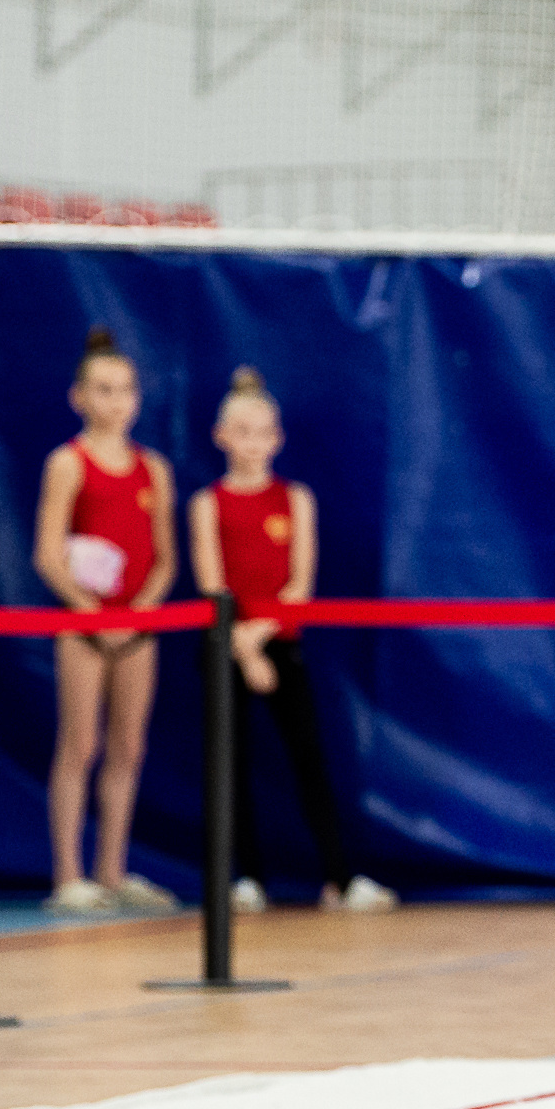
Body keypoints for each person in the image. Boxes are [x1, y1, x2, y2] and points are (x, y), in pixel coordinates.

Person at [187, 367, 394, 914]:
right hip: (226, 646)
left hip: (282, 641)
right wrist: (243, 648)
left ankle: (340, 879)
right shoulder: (207, 504)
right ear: (222, 437)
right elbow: (213, 586)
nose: (253, 444)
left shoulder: (296, 499)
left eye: (263, 433)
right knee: (229, 763)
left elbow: (299, 584)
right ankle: (247, 877)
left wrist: (263, 641)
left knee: (310, 759)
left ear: (277, 439)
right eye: (242, 432)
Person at [31, 327, 179, 915]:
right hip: (84, 626)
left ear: (137, 399)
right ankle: (68, 874)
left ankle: (112, 871)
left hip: (137, 625)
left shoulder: (154, 469)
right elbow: (46, 552)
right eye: (103, 390)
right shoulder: (68, 463)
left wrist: (140, 612)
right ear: (79, 398)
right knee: (80, 743)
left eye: (124, 390)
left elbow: (165, 558)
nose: (115, 401)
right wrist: (92, 614)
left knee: (128, 745)